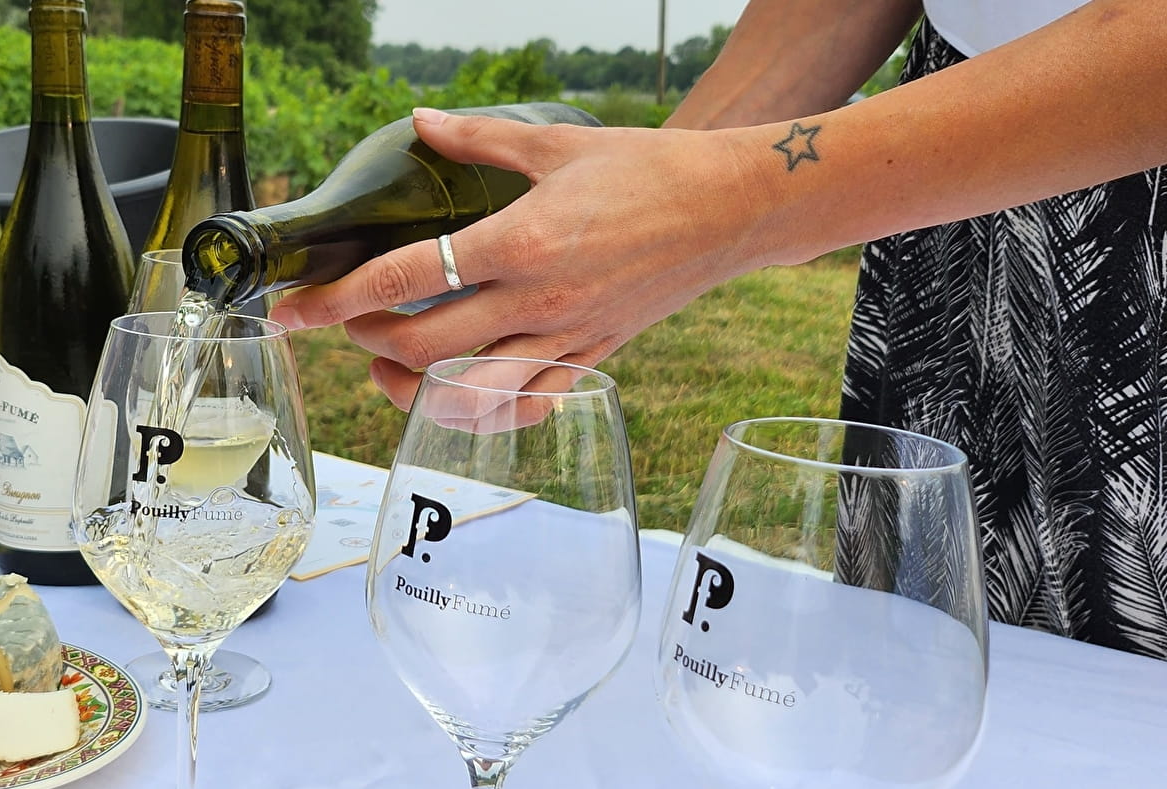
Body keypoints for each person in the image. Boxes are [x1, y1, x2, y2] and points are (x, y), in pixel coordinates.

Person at [267, 0, 1167, 661]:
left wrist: (732, 204)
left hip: (1129, 228)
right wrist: (637, 209)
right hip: (947, 205)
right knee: (910, 681)